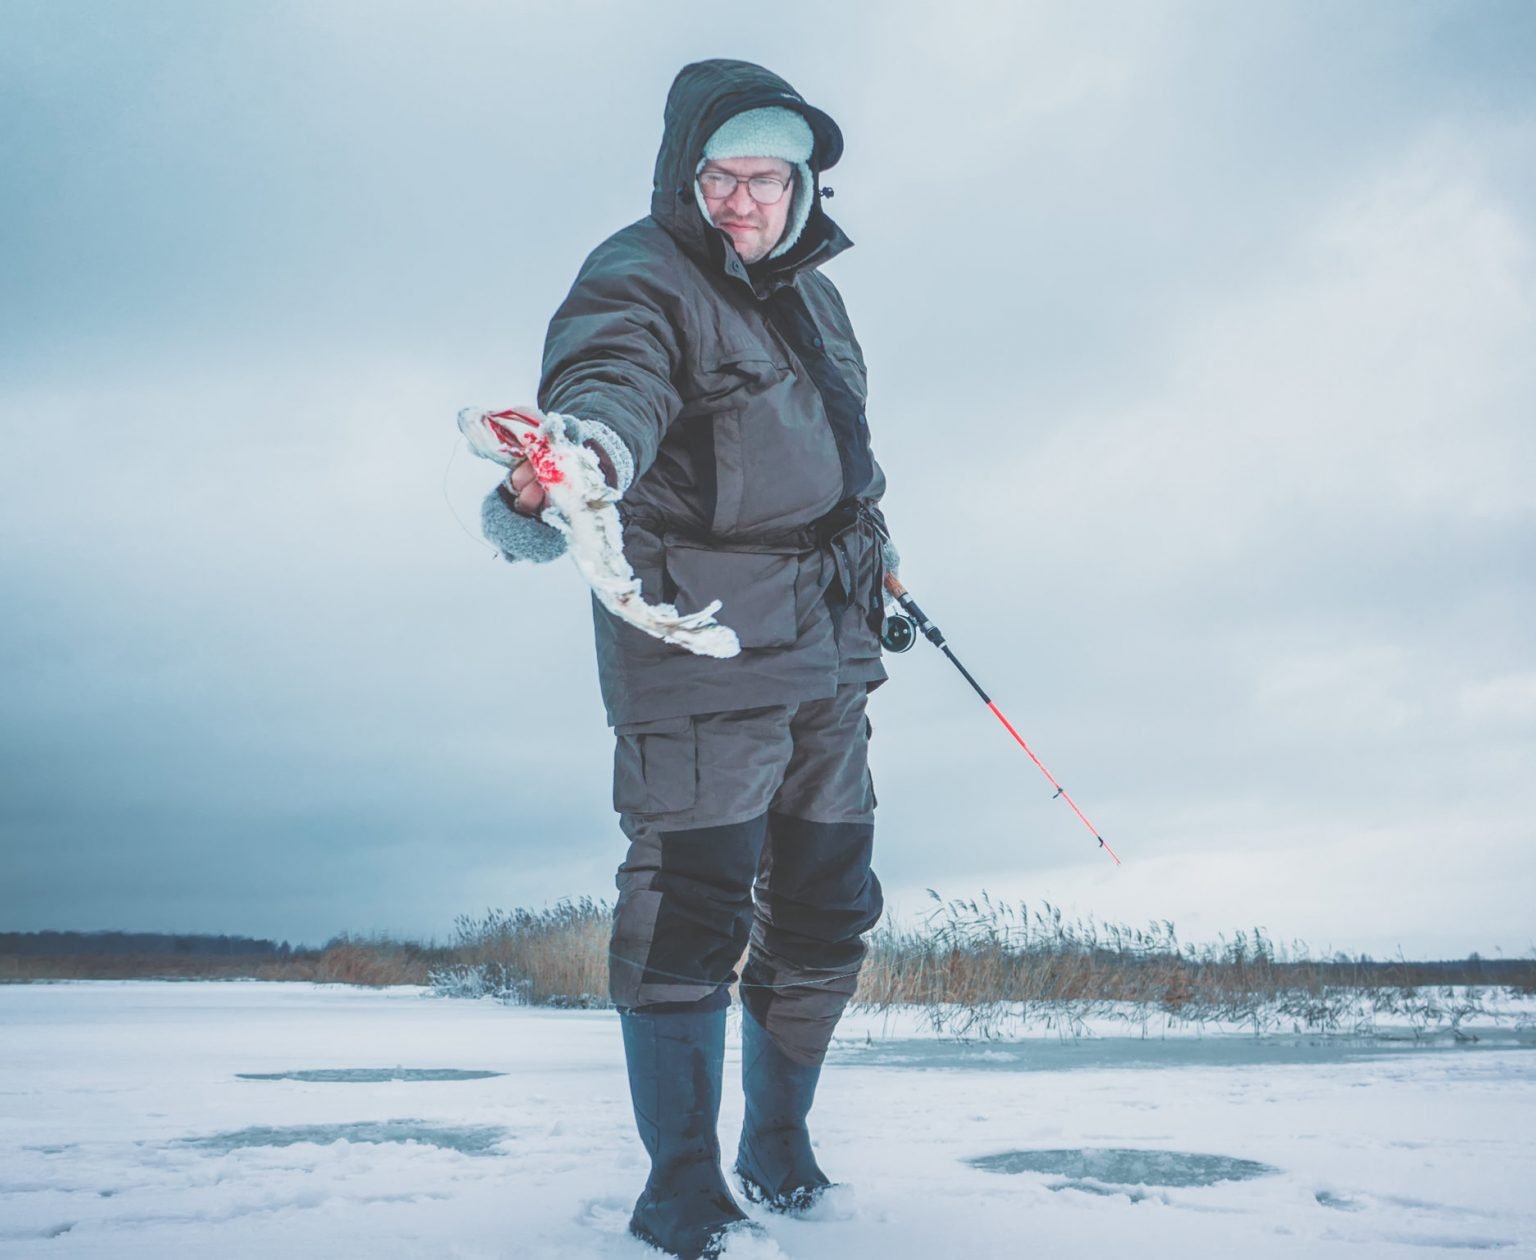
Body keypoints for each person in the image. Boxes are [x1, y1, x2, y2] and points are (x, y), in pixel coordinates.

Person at [480, 58, 897, 1260]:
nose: (743, 200)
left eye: (768, 178)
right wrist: (583, 458)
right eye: (721, 176)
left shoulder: (813, 296)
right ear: (685, 176)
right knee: (689, 909)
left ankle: (778, 1145)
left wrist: (879, 555)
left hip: (828, 644)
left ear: (803, 187)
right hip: (699, 643)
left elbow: (840, 462)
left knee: (826, 907)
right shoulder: (639, 274)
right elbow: (610, 382)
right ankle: (680, 1190)